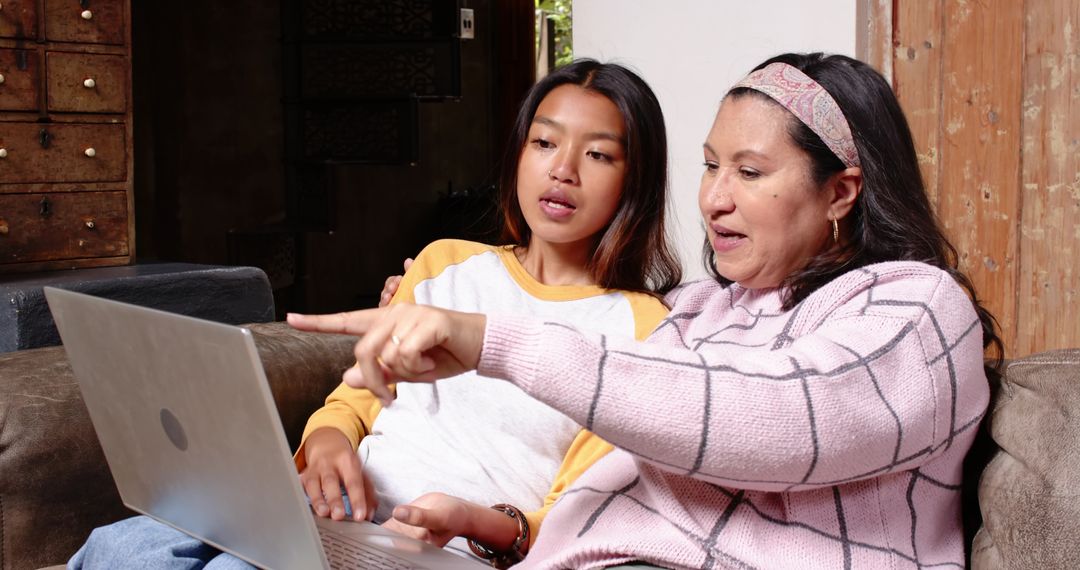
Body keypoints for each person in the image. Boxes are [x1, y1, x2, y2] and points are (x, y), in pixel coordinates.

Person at [289, 52, 1003, 570]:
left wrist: (492, 341)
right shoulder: (697, 311)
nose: (714, 198)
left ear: (841, 193)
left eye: (749, 172)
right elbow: (598, 475)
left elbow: (775, 418)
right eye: (710, 165)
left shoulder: (914, 306)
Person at [68, 59, 681, 569]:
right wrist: (329, 442)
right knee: (119, 548)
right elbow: (358, 398)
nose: (562, 169)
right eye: (543, 142)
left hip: (444, 549)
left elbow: (584, 510)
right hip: (335, 517)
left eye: (599, 155)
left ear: (636, 180)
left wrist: (476, 521)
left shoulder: (640, 327)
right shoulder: (446, 264)